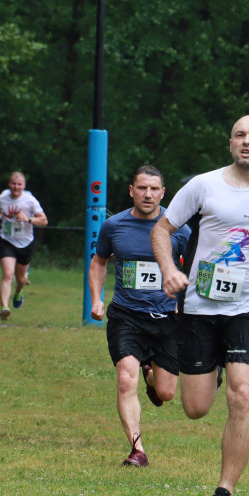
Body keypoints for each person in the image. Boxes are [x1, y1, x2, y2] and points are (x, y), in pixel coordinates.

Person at [151, 114, 249, 496]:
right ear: (230, 144)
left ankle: (225, 491)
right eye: (239, 135)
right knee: (196, 407)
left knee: (243, 394)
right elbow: (162, 229)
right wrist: (169, 269)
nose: (247, 141)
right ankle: (210, 369)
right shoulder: (204, 185)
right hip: (199, 307)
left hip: (247, 305)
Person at [88, 166, 191, 468]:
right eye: (142, 188)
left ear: (163, 192)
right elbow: (99, 262)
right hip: (126, 315)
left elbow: (195, 269)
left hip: (166, 318)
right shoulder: (113, 226)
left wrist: (183, 304)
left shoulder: (180, 228)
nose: (148, 195)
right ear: (131, 190)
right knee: (124, 379)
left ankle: (150, 373)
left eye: (154, 189)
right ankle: (137, 450)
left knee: (166, 392)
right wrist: (97, 299)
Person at [0, 172, 47, 319]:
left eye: (19, 184)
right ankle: (4, 308)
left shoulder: (30, 200)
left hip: (25, 243)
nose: (16, 187)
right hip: (6, 239)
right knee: (7, 274)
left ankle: (19, 291)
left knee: (20, 280)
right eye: (13, 184)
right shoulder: (3, 197)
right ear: (9, 184)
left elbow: (44, 221)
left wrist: (28, 219)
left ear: (24, 186)